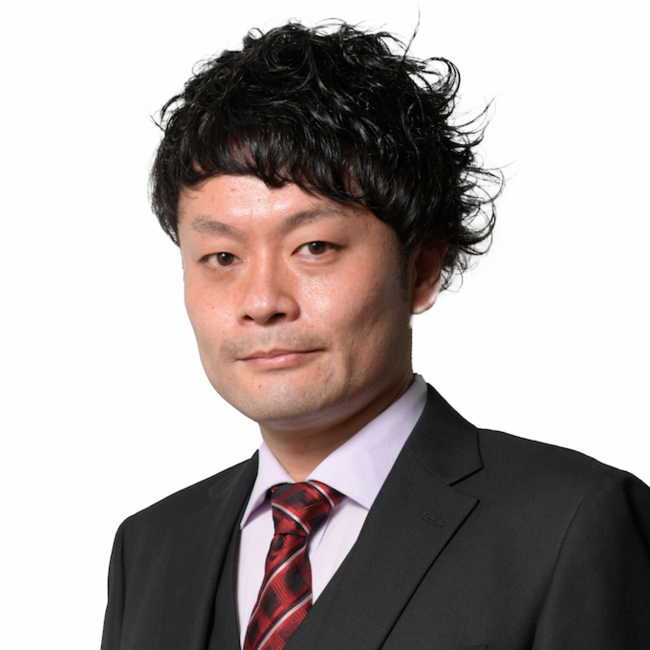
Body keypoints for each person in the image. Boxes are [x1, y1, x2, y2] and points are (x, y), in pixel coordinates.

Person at [101, 21, 650, 650]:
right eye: (222, 257)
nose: (262, 303)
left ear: (421, 270)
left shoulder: (571, 524)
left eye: (314, 247)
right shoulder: (151, 547)